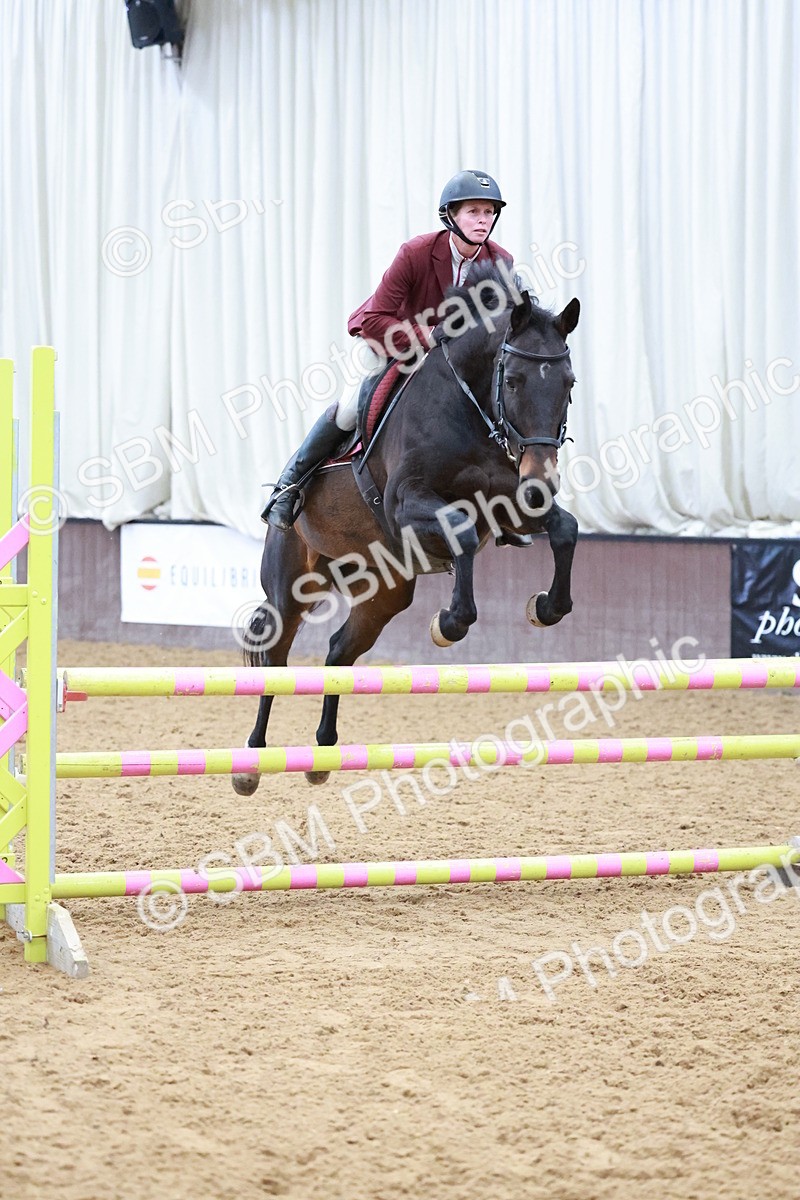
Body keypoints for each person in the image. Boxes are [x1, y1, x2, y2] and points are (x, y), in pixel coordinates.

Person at [262, 169, 513, 531]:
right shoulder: (416, 252)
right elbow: (375, 319)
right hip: (391, 341)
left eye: (489, 212)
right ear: (451, 216)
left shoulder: (501, 261)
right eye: (473, 211)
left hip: (448, 359)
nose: (483, 220)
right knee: (350, 407)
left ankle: (505, 503)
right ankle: (289, 485)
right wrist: (429, 335)